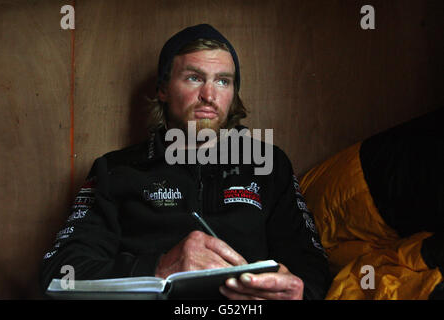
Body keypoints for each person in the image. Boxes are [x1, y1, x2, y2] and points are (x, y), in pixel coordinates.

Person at [40, 24, 331, 300]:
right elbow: (60, 272)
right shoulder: (115, 170)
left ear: (233, 94)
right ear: (163, 89)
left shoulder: (269, 165)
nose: (209, 95)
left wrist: (298, 291)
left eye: (223, 81)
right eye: (194, 77)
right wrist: (158, 268)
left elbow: (314, 268)